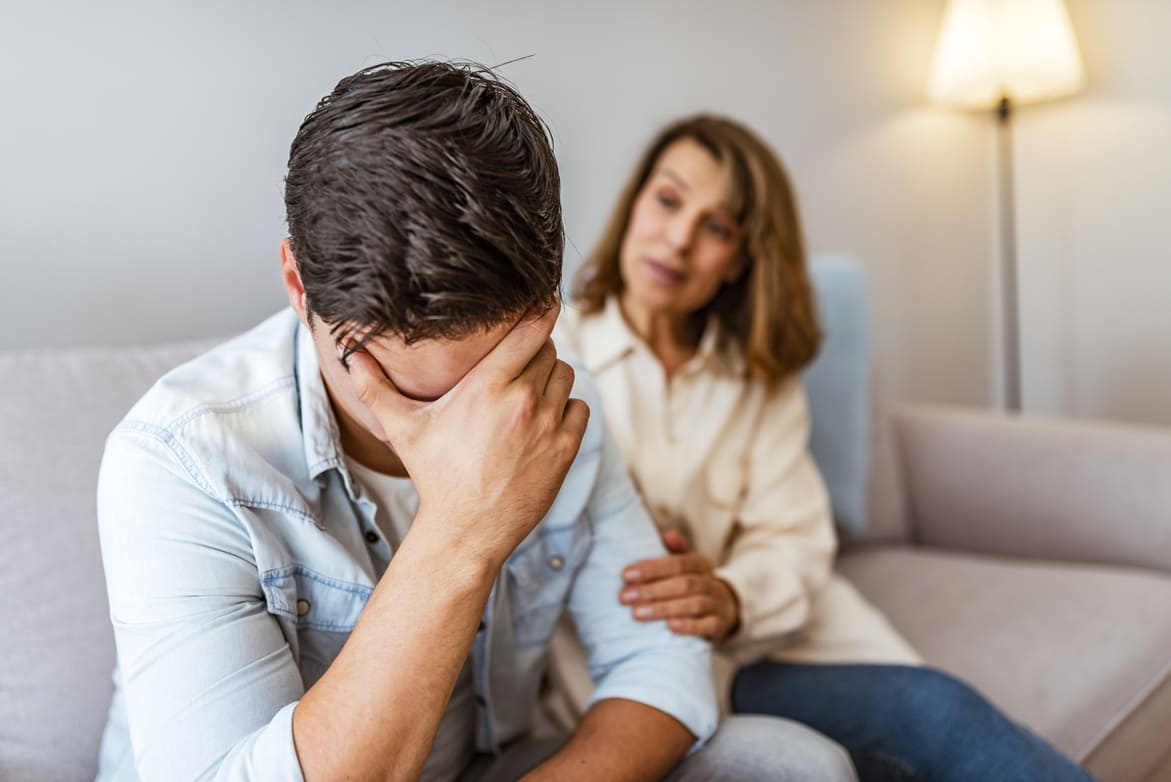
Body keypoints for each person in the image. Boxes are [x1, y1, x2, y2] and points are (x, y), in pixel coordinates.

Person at [93, 63, 857, 781]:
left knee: (788, 761)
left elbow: (661, 665)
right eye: (386, 382)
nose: (447, 425)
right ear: (299, 283)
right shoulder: (179, 458)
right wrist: (465, 523)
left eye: (485, 380)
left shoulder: (553, 399)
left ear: (544, 308)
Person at [550, 114, 1098, 782]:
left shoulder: (755, 375)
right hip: (663, 669)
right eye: (667, 200)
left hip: (780, 635)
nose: (679, 239)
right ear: (635, 200)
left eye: (716, 226)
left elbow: (794, 542)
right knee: (927, 719)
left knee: (939, 712)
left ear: (742, 258)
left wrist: (728, 595)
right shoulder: (556, 360)